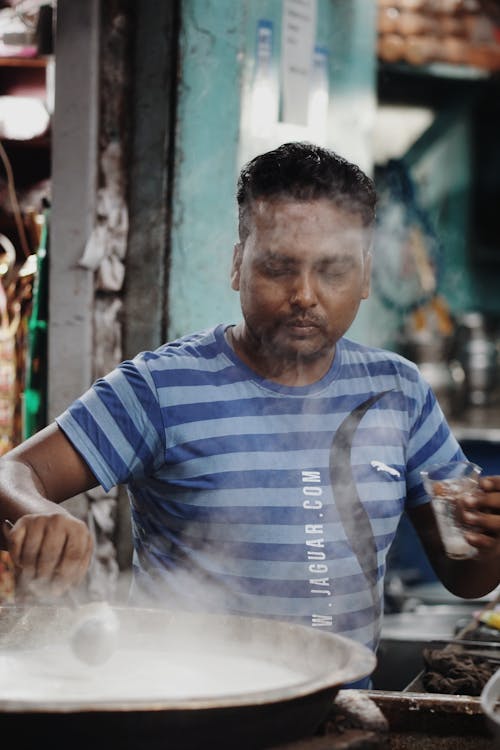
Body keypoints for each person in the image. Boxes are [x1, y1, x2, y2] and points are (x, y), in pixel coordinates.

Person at [0, 141, 499, 666]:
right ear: (239, 264)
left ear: (366, 275)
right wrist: (36, 512)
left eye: (332, 271)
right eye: (279, 268)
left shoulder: (399, 390)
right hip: (192, 714)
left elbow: (466, 577)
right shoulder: (161, 388)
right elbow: (12, 473)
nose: (304, 294)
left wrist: (488, 539)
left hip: (341, 719)